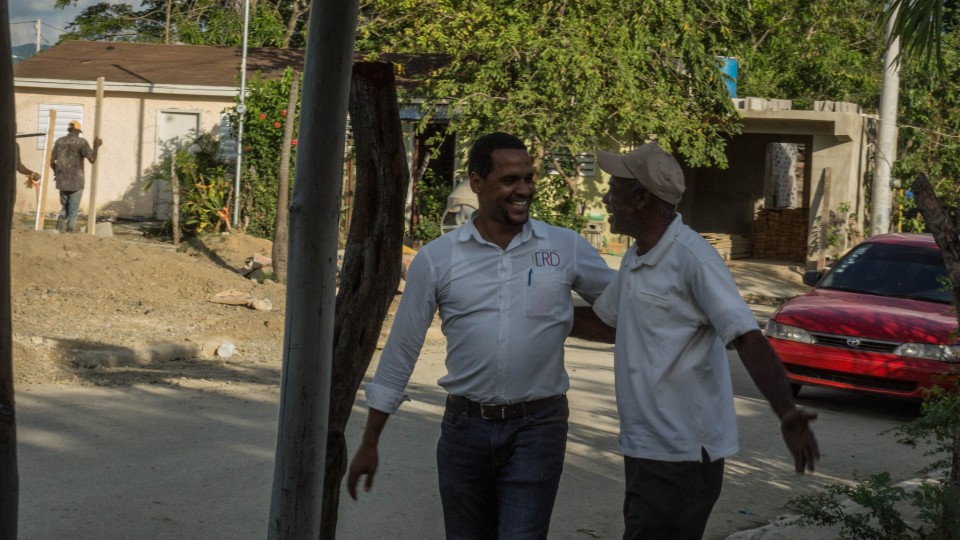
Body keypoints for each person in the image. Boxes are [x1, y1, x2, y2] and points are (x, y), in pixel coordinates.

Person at [347, 132, 616, 539]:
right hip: (464, 429)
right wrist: (370, 440)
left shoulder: (565, 248)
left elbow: (621, 310)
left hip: (538, 427)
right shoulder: (438, 260)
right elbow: (402, 349)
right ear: (476, 183)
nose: (523, 190)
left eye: (528, 178)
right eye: (509, 180)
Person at [570, 141, 820, 540]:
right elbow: (610, 324)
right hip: (647, 446)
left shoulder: (694, 259)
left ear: (640, 197)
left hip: (682, 454)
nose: (606, 197)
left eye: (614, 188)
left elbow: (746, 336)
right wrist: (540, 314)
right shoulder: (639, 256)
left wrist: (786, 411)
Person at [50, 120, 102, 233]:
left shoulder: (59, 141)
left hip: (62, 181)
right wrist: (96, 146)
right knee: (73, 210)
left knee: (65, 207)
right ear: (77, 130)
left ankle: (57, 230)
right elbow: (92, 159)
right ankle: (69, 232)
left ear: (69, 130)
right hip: (76, 182)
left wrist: (57, 172)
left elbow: (51, 161)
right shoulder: (81, 142)